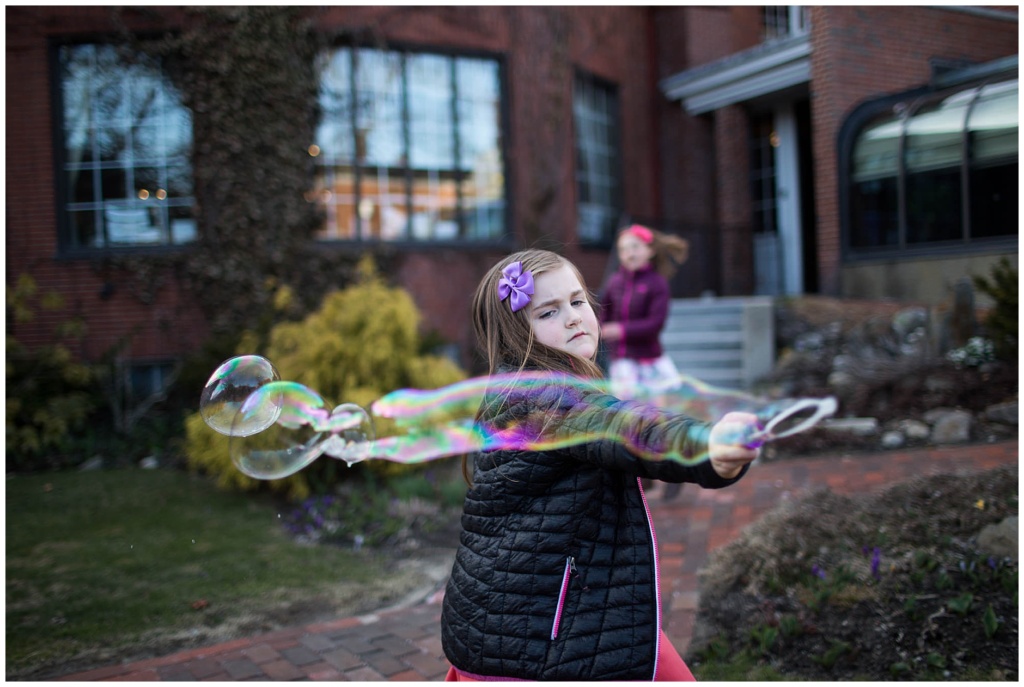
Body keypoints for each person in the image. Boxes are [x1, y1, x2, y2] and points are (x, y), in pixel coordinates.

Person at [441, 249, 760, 681]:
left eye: (577, 301)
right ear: (518, 335)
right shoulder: (545, 400)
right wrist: (704, 444)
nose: (574, 317)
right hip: (536, 639)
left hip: (528, 611)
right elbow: (627, 428)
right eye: (548, 312)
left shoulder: (535, 388)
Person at [599, 224, 690, 401]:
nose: (629, 253)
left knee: (658, 408)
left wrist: (621, 330)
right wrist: (600, 328)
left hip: (649, 358)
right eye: (623, 249)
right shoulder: (614, 282)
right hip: (621, 360)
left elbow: (656, 323)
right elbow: (604, 312)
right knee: (629, 410)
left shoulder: (657, 283)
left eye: (635, 247)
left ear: (651, 250)